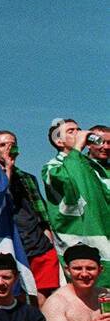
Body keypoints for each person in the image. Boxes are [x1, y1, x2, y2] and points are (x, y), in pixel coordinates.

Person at [0, 129, 61, 300]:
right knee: (16, 296)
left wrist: (47, 235)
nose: (8, 148)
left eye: (12, 144)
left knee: (43, 295)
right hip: (11, 245)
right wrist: (6, 170)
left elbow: (40, 210)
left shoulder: (27, 178)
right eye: (2, 145)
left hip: (38, 244)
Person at [42, 118, 110, 288]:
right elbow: (66, 179)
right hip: (80, 243)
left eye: (78, 129)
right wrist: (78, 148)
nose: (79, 133)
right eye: (71, 131)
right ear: (59, 141)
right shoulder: (53, 166)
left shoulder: (93, 166)